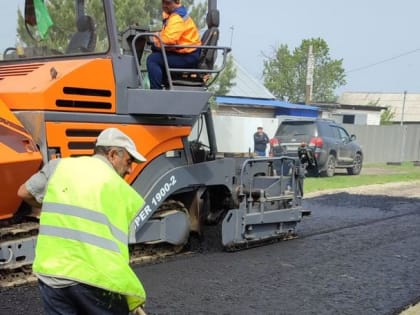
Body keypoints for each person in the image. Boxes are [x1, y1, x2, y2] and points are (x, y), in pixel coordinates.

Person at [17, 127, 148, 315]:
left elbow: (24, 192)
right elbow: (120, 256)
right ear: (112, 155)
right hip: (95, 281)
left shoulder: (59, 167)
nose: (130, 169)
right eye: (129, 161)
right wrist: (129, 298)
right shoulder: (121, 191)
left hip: (52, 276)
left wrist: (51, 209)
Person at [147, 0, 201, 89]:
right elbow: (166, 34)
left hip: (188, 56)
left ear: (176, 2)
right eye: (163, 2)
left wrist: (153, 40)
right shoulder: (173, 16)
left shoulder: (177, 17)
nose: (164, 5)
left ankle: (155, 93)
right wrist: (156, 36)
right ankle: (160, 87)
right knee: (157, 56)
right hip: (186, 53)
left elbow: (169, 40)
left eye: (168, 3)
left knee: (153, 59)